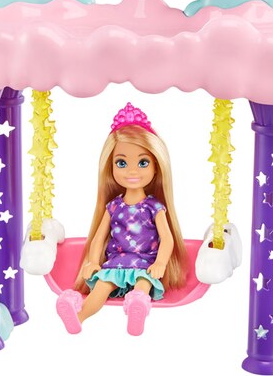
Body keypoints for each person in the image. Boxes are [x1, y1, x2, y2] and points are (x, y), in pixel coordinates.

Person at [56, 103, 187, 335]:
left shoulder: (154, 207)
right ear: (111, 167)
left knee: (142, 286)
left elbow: (167, 239)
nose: (132, 171)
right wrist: (92, 261)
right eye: (122, 163)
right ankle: (78, 316)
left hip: (145, 264)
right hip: (115, 263)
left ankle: (137, 310)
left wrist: (160, 263)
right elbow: (99, 237)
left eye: (143, 163)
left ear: (156, 167)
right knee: (101, 288)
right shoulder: (114, 206)